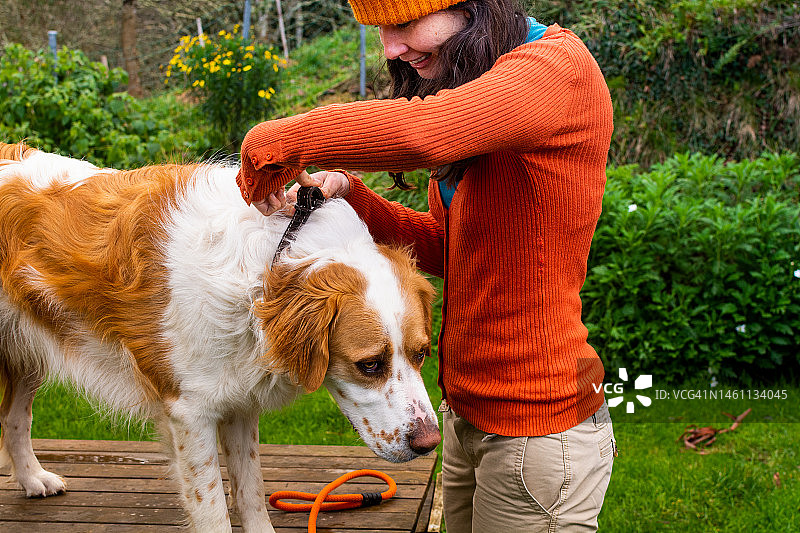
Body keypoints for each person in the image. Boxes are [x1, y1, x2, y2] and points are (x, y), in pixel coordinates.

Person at [237, 0, 616, 530]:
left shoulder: (556, 70)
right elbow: (449, 247)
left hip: (539, 426)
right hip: (468, 417)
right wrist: (354, 198)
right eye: (381, 31)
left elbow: (427, 132)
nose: (391, 48)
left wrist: (280, 139)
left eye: (403, 24)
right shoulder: (472, 79)